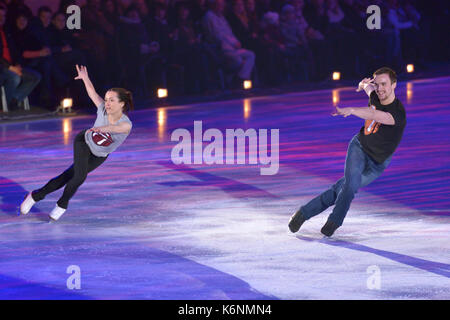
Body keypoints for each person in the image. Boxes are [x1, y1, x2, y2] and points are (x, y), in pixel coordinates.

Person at [288, 67, 406, 236]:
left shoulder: (398, 114)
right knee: (350, 186)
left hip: (378, 164)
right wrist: (363, 84)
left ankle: (303, 213)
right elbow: (368, 88)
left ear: (394, 85)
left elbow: (376, 114)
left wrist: (352, 110)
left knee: (341, 188)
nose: (380, 89)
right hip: (359, 148)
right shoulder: (375, 94)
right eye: (377, 84)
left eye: (384, 84)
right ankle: (334, 222)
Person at [20, 65, 133, 221]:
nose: (107, 103)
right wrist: (86, 78)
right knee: (79, 176)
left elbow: (115, 128)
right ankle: (62, 204)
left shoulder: (126, 124)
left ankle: (34, 196)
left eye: (111, 100)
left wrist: (101, 128)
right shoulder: (102, 109)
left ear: (121, 104)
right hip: (83, 143)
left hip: (99, 156)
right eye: (106, 99)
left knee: (68, 176)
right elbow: (92, 93)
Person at [0, 3, 40, 109]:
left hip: (11, 66)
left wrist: (17, 64)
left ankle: (14, 99)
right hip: (3, 68)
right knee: (15, 78)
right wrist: (11, 67)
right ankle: (5, 105)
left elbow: (15, 51)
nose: (1, 18)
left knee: (35, 76)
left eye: (3, 16)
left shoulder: (6, 32)